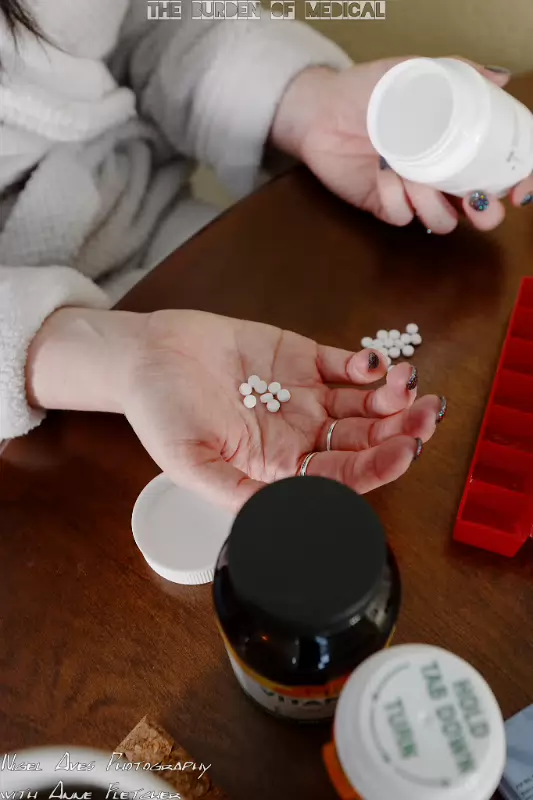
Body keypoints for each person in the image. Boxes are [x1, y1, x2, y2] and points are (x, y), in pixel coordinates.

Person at [1, 1, 529, 510]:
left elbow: (147, 19)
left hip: (169, 236)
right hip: (29, 387)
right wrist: (100, 354)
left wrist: (310, 105)